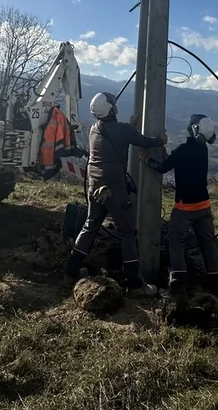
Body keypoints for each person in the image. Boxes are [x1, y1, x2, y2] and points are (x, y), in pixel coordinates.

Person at [64, 91, 167, 297]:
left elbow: (122, 136)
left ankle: (71, 271)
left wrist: (131, 126)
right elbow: (144, 141)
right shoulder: (123, 130)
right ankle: (135, 284)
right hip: (114, 189)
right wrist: (160, 140)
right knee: (127, 233)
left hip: (95, 186)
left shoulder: (94, 129)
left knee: (90, 226)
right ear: (111, 108)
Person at [140, 114, 218, 297]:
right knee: (207, 243)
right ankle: (216, 281)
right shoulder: (203, 150)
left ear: (193, 130)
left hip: (185, 208)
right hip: (204, 206)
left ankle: (178, 283)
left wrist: (147, 160)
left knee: (175, 241)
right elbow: (176, 161)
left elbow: (163, 168)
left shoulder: (183, 150)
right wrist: (164, 152)